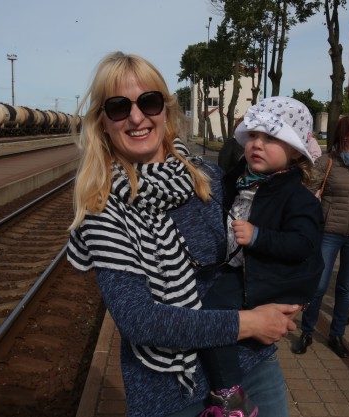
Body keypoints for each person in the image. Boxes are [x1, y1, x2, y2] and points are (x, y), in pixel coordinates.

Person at [66, 51, 299, 417]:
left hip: (251, 364)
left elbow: (261, 245)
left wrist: (289, 290)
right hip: (173, 390)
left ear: (165, 108)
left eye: (149, 102)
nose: (137, 117)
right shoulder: (102, 206)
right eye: (119, 107)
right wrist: (249, 323)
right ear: (103, 122)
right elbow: (139, 319)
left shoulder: (207, 176)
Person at [199, 97, 324, 416]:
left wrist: (258, 236)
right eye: (253, 135)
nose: (257, 144)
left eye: (270, 138)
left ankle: (229, 395)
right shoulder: (239, 178)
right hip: (238, 270)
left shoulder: (298, 197)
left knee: (213, 316)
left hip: (263, 279)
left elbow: (304, 244)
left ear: (295, 152)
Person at [293, 114, 349, 358]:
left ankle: (336, 334)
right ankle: (307, 332)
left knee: (347, 288)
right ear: (345, 134)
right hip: (329, 233)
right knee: (319, 285)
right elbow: (305, 194)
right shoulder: (327, 162)